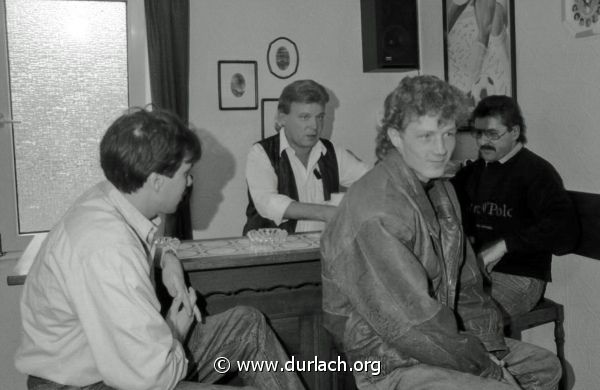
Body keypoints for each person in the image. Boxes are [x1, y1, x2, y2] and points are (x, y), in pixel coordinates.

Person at [15, 107, 304, 390]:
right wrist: (176, 331)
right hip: (86, 383)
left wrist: (167, 258)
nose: (190, 182)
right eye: (186, 173)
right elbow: (150, 378)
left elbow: (144, 240)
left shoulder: (107, 196)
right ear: (156, 181)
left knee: (248, 324)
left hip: (119, 365)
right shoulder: (108, 250)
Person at [320, 75, 561, 389]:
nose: (441, 149)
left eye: (448, 134)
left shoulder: (440, 188)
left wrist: (489, 347)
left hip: (436, 342)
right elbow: (411, 326)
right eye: (425, 136)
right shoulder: (377, 211)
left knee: (546, 368)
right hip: (386, 358)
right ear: (395, 136)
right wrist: (486, 368)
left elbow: (467, 285)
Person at [451, 95, 579, 318]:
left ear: (515, 132)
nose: (482, 142)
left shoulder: (537, 172)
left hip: (520, 276)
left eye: (492, 134)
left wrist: (504, 245)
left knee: (467, 320)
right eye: (478, 134)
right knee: (426, 312)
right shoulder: (475, 170)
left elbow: (565, 231)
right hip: (476, 272)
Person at [243, 79, 369, 234]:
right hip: (271, 255)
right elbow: (268, 203)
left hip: (321, 253)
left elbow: (373, 181)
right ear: (282, 118)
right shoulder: (261, 153)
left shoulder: (333, 153)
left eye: (320, 117)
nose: (314, 126)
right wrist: (325, 212)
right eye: (305, 117)